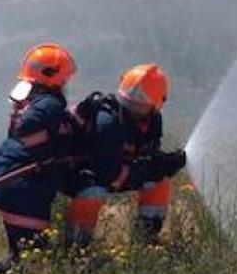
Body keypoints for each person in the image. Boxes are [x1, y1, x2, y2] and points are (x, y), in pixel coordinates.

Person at [0, 43, 79, 274]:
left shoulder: (28, 98)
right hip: (19, 186)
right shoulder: (48, 104)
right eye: (64, 79)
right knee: (29, 262)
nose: (66, 84)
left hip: (3, 177)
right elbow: (29, 130)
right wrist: (48, 156)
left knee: (29, 254)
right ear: (53, 77)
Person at [65, 63, 187, 246]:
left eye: (140, 107)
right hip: (79, 173)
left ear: (156, 105)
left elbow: (147, 155)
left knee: (159, 183)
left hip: (112, 172)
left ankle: (146, 242)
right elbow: (108, 174)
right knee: (93, 190)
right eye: (128, 103)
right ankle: (76, 247)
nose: (132, 110)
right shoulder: (107, 121)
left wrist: (164, 163)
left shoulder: (153, 121)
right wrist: (149, 169)